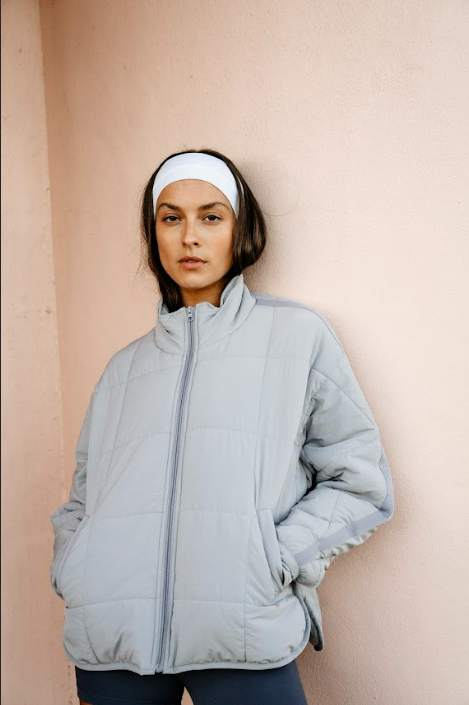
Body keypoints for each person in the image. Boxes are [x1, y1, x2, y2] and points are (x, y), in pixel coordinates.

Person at [49, 149, 395, 705]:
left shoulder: (297, 337)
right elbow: (84, 502)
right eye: (171, 218)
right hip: (112, 642)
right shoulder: (123, 369)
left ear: (240, 229)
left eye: (211, 216)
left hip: (242, 631)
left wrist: (274, 559)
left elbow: (359, 480)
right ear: (154, 234)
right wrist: (77, 567)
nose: (190, 237)